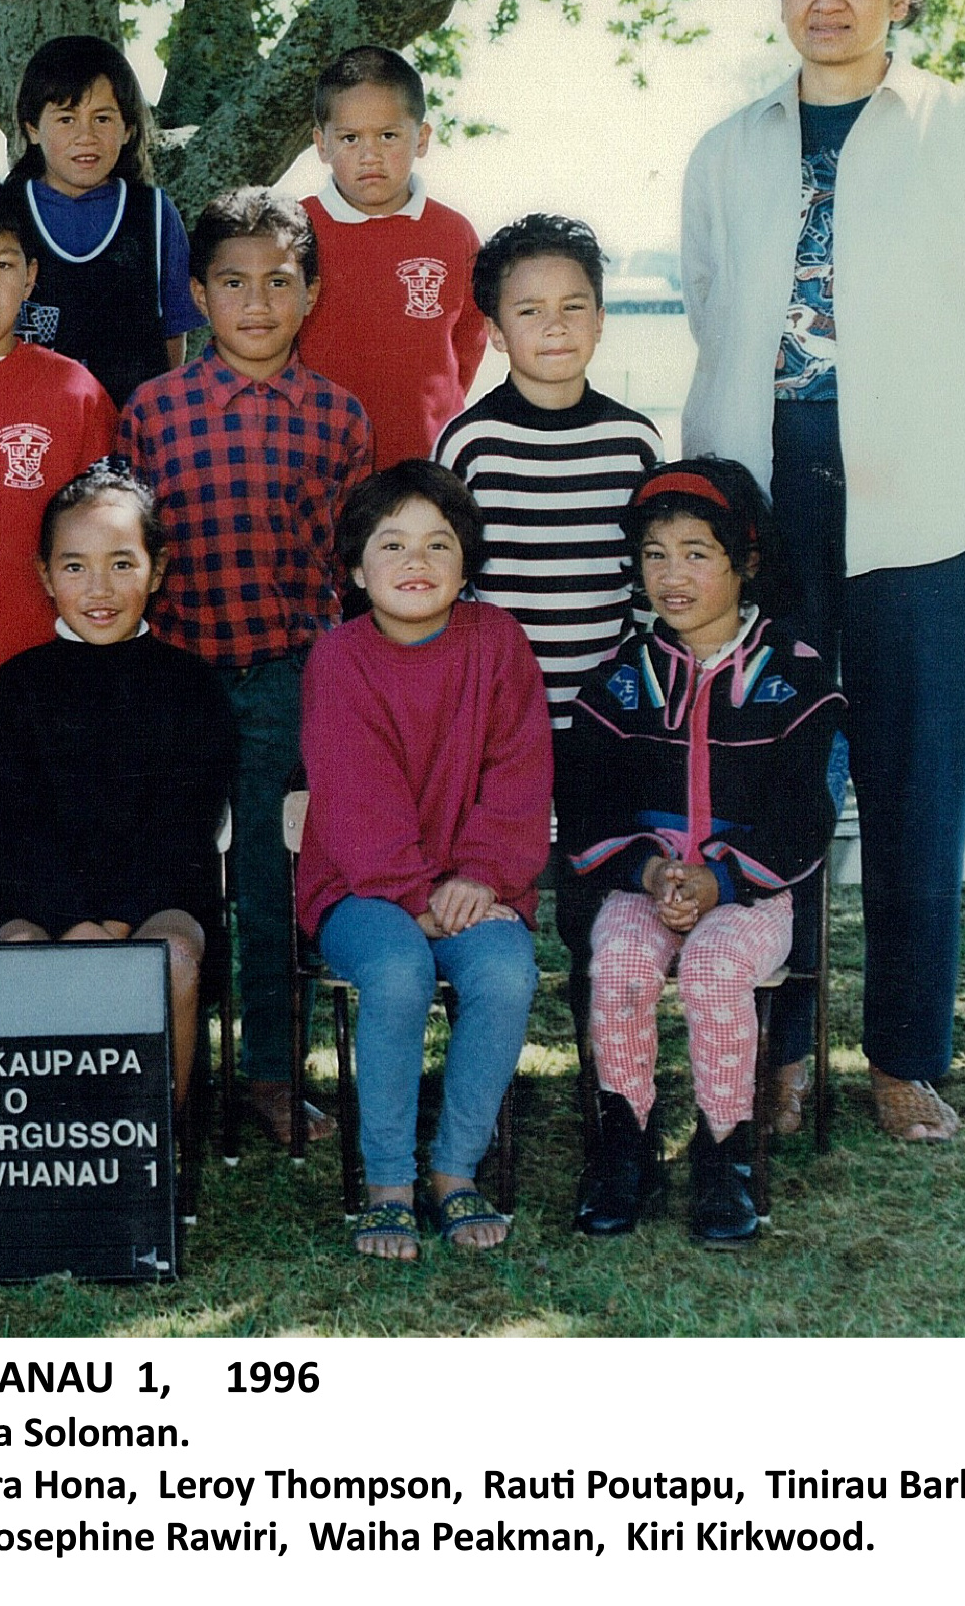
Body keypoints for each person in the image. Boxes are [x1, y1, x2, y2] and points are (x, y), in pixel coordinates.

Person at [681, 0, 965, 1142]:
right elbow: (713, 309)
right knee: (774, 786)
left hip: (934, 513)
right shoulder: (728, 149)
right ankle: (780, 1052)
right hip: (767, 510)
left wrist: (947, 439)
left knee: (916, 789)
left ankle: (904, 1059)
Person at [116, 187, 373, 1146]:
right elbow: (129, 550)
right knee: (167, 877)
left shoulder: (339, 418)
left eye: (278, 282)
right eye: (233, 283)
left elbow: (350, 570)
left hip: (287, 681)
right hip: (175, 681)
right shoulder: (152, 411)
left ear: (310, 293)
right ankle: (166, 1072)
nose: (256, 303)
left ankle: (271, 1072)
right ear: (198, 294)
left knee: (272, 882)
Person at [565, 458, 846, 1246]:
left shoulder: (796, 679)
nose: (672, 575)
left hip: (750, 894)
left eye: (697, 553)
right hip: (645, 886)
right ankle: (627, 1141)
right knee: (620, 964)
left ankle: (726, 1149)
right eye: (655, 555)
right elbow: (585, 807)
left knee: (717, 968)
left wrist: (721, 880)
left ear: (746, 560)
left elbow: (805, 816)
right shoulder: (619, 681)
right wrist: (651, 870)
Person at [297, 461, 552, 1258]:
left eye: (438, 544)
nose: (416, 562)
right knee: (400, 970)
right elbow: (355, 797)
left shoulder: (499, 643)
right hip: (362, 889)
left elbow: (518, 776)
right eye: (392, 544)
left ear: (466, 561)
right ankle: (388, 1184)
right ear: (355, 568)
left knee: (505, 973)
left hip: (478, 885)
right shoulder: (339, 659)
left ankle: (454, 1170)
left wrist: (479, 877)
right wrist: (416, 895)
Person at [433, 213, 663, 1038]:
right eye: (529, 310)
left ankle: (608, 1075)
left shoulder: (633, 441)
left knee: (601, 903)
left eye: (574, 306)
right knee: (488, 893)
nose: (555, 326)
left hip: (605, 728)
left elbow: (647, 594)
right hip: (501, 731)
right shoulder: (471, 443)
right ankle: (486, 1067)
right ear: (495, 332)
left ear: (601, 319)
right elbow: (454, 593)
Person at [0, 463, 233, 1112]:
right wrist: (72, 921)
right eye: (75, 566)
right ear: (46, 575)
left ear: (156, 571)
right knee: (17, 953)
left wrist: (119, 921)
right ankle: (40, 1142)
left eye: (122, 563)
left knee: (170, 957)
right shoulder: (14, 688)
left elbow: (182, 828)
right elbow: (14, 827)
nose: (99, 588)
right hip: (35, 898)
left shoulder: (192, 688)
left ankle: (156, 1144)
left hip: (160, 897)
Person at [299, 45, 485, 465]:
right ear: (322, 145)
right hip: (319, 462)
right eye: (350, 138)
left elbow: (468, 341)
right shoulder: (295, 230)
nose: (370, 155)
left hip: (426, 463)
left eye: (388, 136)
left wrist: (433, 417)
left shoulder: (454, 234)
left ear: (421, 138)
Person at [7, 35, 203, 406]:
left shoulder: (154, 214)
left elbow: (172, 334)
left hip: (129, 428)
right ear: (32, 128)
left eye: (102, 118)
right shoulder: (6, 213)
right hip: (29, 427)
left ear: (127, 128)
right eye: (66, 118)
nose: (86, 136)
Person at [0, 183, 117, 671]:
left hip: (46, 667)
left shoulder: (75, 393)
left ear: (29, 278)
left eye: (2, 265)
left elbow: (108, 537)